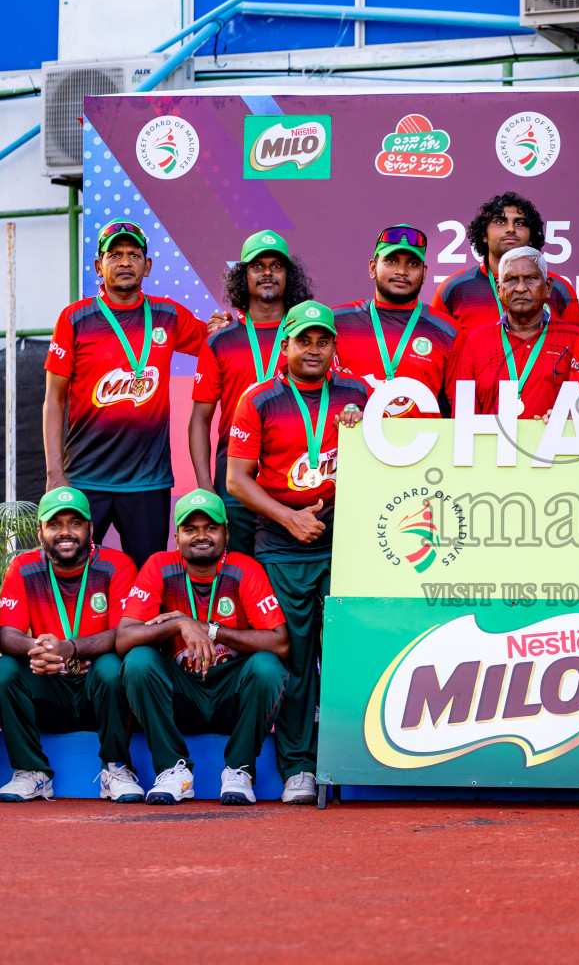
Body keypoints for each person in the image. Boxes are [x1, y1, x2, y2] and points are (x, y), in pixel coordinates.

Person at [226, 301, 368, 805]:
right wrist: (290, 517)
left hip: (344, 544)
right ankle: (299, 769)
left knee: (350, 657)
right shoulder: (259, 399)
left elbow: (384, 460)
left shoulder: (357, 393)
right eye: (303, 340)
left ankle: (357, 760)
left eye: (322, 340)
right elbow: (236, 480)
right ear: (284, 346)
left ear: (334, 347)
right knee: (296, 663)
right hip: (282, 547)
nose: (313, 350)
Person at [44, 218, 210, 565]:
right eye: (114, 254)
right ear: (98, 266)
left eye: (134, 255)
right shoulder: (75, 319)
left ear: (147, 266)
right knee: (72, 571)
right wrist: (55, 473)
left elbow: (214, 344)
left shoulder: (168, 314)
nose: (124, 263)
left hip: (148, 481)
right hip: (85, 478)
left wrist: (227, 325)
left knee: (149, 577)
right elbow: (54, 400)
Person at [117, 491, 290, 806]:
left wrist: (211, 630)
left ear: (226, 532)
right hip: (180, 694)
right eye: (190, 529)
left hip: (230, 693)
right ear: (177, 536)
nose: (200, 536)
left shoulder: (244, 568)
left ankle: (240, 769)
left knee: (267, 667)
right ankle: (173, 771)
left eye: (210, 528)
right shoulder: (159, 566)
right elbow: (123, 639)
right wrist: (179, 623)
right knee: (138, 660)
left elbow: (279, 642)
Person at [0, 487, 142, 803]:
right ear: (40, 531)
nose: (65, 532)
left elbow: (123, 634)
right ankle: (31, 772)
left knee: (113, 666)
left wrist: (68, 648)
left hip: (98, 694)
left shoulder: (117, 565)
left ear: (90, 527)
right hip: (49, 691)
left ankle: (116, 768)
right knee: (4, 670)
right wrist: (40, 649)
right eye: (55, 524)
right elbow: (7, 636)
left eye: (75, 523)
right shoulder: (23, 566)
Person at [190, 229, 314, 556]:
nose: (267, 273)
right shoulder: (220, 341)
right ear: (242, 276)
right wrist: (206, 488)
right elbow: (199, 419)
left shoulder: (310, 339)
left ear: (290, 275)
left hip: (295, 478)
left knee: (289, 578)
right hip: (235, 481)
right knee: (239, 579)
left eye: (276, 266)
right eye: (257, 267)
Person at [446, 247, 579, 420]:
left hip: (554, 445)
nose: (520, 288)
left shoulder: (576, 339)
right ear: (498, 289)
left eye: (530, 278)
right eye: (510, 280)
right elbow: (464, 417)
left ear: (548, 287)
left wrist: (567, 418)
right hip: (492, 446)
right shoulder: (476, 341)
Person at [332, 224, 458, 416]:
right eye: (391, 261)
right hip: (353, 444)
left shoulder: (447, 331)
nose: (402, 271)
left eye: (413, 264)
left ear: (424, 273)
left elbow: (459, 410)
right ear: (373, 268)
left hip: (425, 445)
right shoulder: (338, 322)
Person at [431, 192, 579, 330]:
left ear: (531, 237)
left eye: (519, 223)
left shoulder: (558, 288)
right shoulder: (453, 289)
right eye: (500, 222)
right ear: (484, 235)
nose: (511, 229)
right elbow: (438, 353)